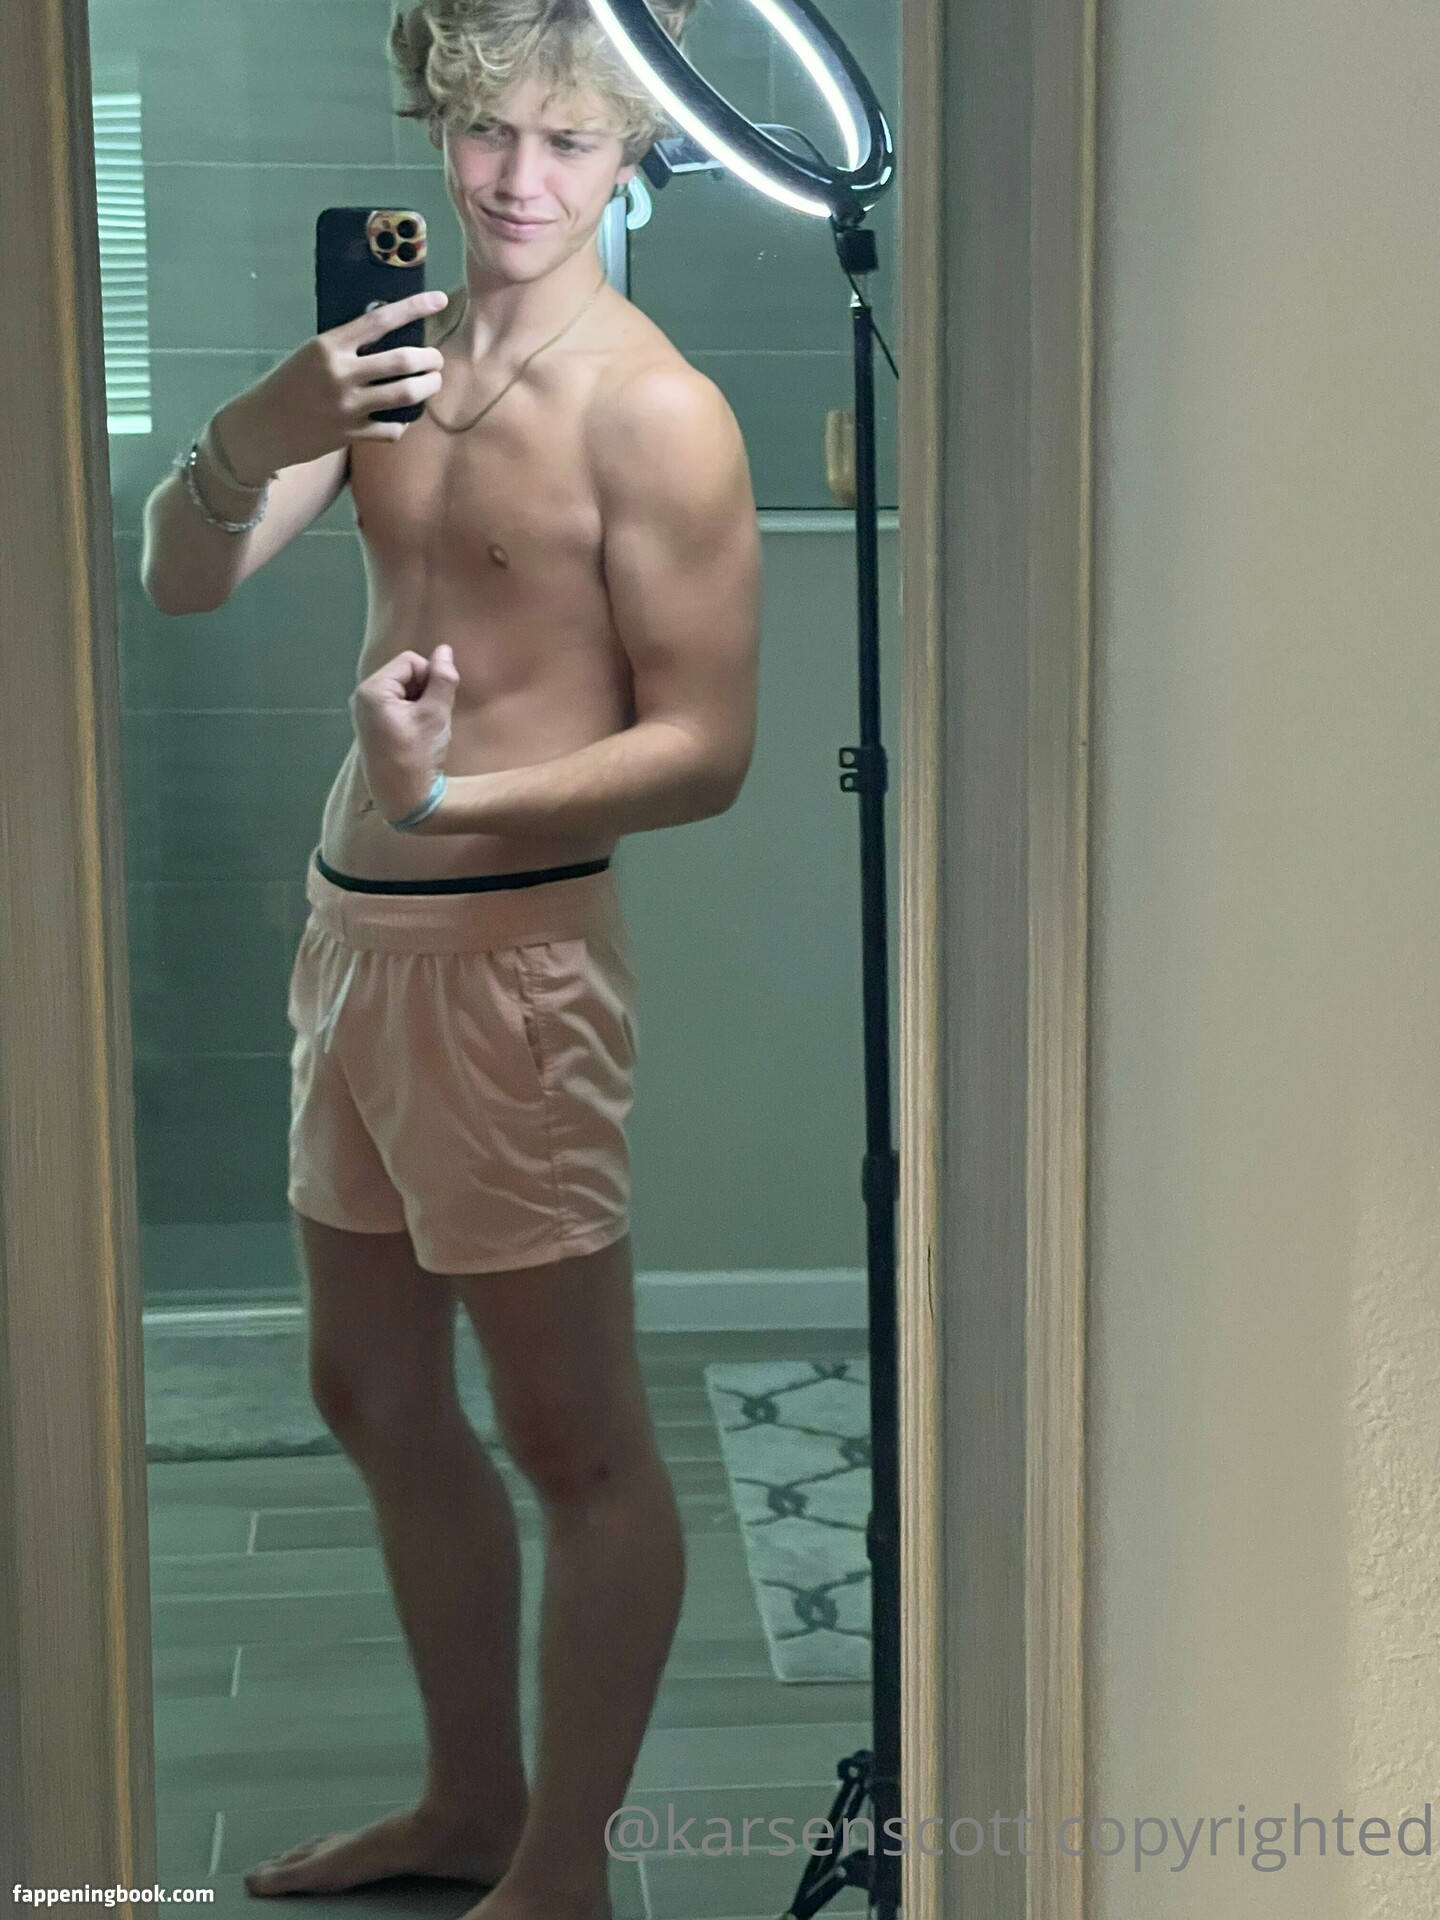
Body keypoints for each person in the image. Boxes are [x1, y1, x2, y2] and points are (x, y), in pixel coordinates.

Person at [140, 1, 761, 1913]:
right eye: (493, 128)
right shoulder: (388, 363)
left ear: (636, 152)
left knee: (576, 1442)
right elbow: (180, 574)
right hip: (351, 948)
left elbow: (707, 748)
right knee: (372, 1396)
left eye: (572, 140)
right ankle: (471, 1804)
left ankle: (565, 1863)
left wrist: (446, 800)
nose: (520, 178)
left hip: (510, 971)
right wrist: (257, 430)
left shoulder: (653, 411)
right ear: (437, 119)